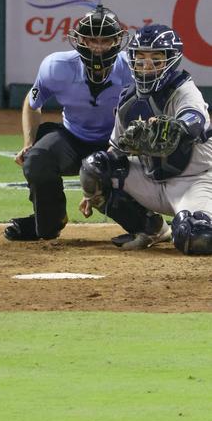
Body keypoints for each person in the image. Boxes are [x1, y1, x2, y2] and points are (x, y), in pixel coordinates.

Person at [4, 5, 162, 248]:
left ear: (117, 40)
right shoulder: (55, 66)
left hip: (117, 142)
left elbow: (150, 114)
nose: (98, 46)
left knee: (108, 177)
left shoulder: (133, 69)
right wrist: (28, 143)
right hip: (72, 138)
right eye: (91, 39)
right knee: (37, 159)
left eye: (105, 40)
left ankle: (149, 226)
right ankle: (49, 221)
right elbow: (32, 101)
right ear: (79, 40)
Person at [80, 25, 212, 255]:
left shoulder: (184, 90)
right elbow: (115, 150)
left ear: (171, 60)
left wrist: (175, 127)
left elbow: (194, 119)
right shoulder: (129, 99)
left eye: (156, 59)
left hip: (194, 182)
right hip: (152, 180)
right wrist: (92, 191)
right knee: (94, 167)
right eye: (140, 58)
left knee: (196, 238)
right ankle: (152, 229)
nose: (146, 65)